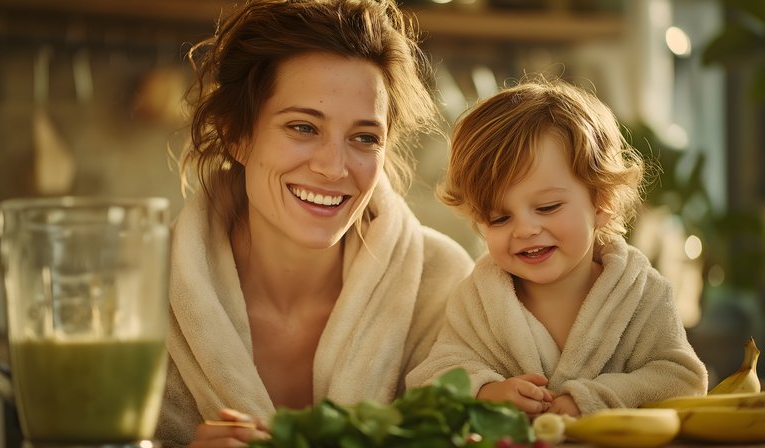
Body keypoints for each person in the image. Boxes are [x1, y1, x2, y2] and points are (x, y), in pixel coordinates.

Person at [155, 1, 475, 446]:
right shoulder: (142, 291)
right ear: (237, 135)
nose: (333, 167)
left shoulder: (442, 285)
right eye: (303, 127)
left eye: (365, 138)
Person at [406, 77, 708, 418]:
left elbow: (682, 378)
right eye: (499, 218)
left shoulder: (641, 294)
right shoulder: (478, 299)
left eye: (548, 207)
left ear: (601, 201)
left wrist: (594, 398)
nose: (525, 229)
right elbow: (431, 379)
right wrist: (487, 392)